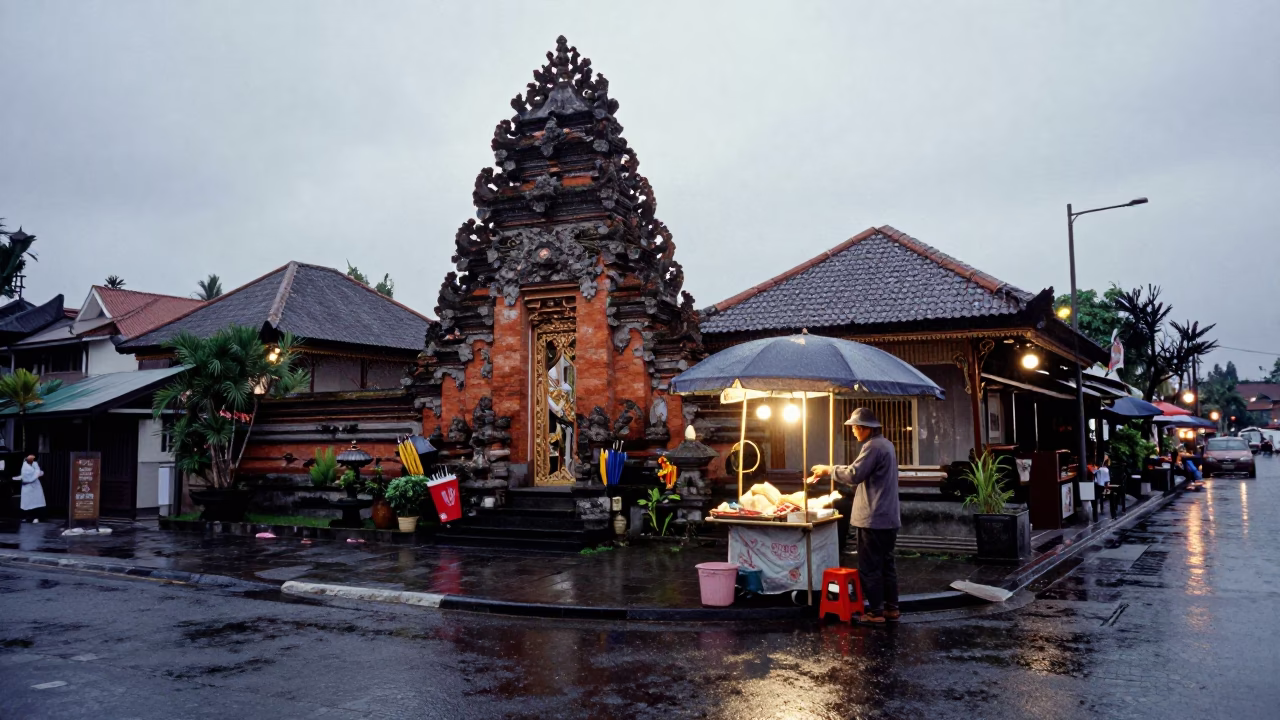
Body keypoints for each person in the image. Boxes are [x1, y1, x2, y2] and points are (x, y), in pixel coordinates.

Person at [807, 407, 900, 624]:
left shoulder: (873, 447)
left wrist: (827, 469)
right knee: (887, 563)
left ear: (864, 428)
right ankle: (891, 608)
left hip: (873, 516)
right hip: (888, 516)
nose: (854, 432)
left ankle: (875, 612)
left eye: (855, 428)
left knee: (870, 566)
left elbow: (854, 474)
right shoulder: (886, 444)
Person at [17, 455, 46, 523]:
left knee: (35, 502)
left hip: (34, 486)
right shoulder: (25, 465)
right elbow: (24, 474)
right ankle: (28, 517)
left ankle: (36, 517)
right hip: (27, 486)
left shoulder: (35, 465)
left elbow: (38, 473)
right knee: (27, 503)